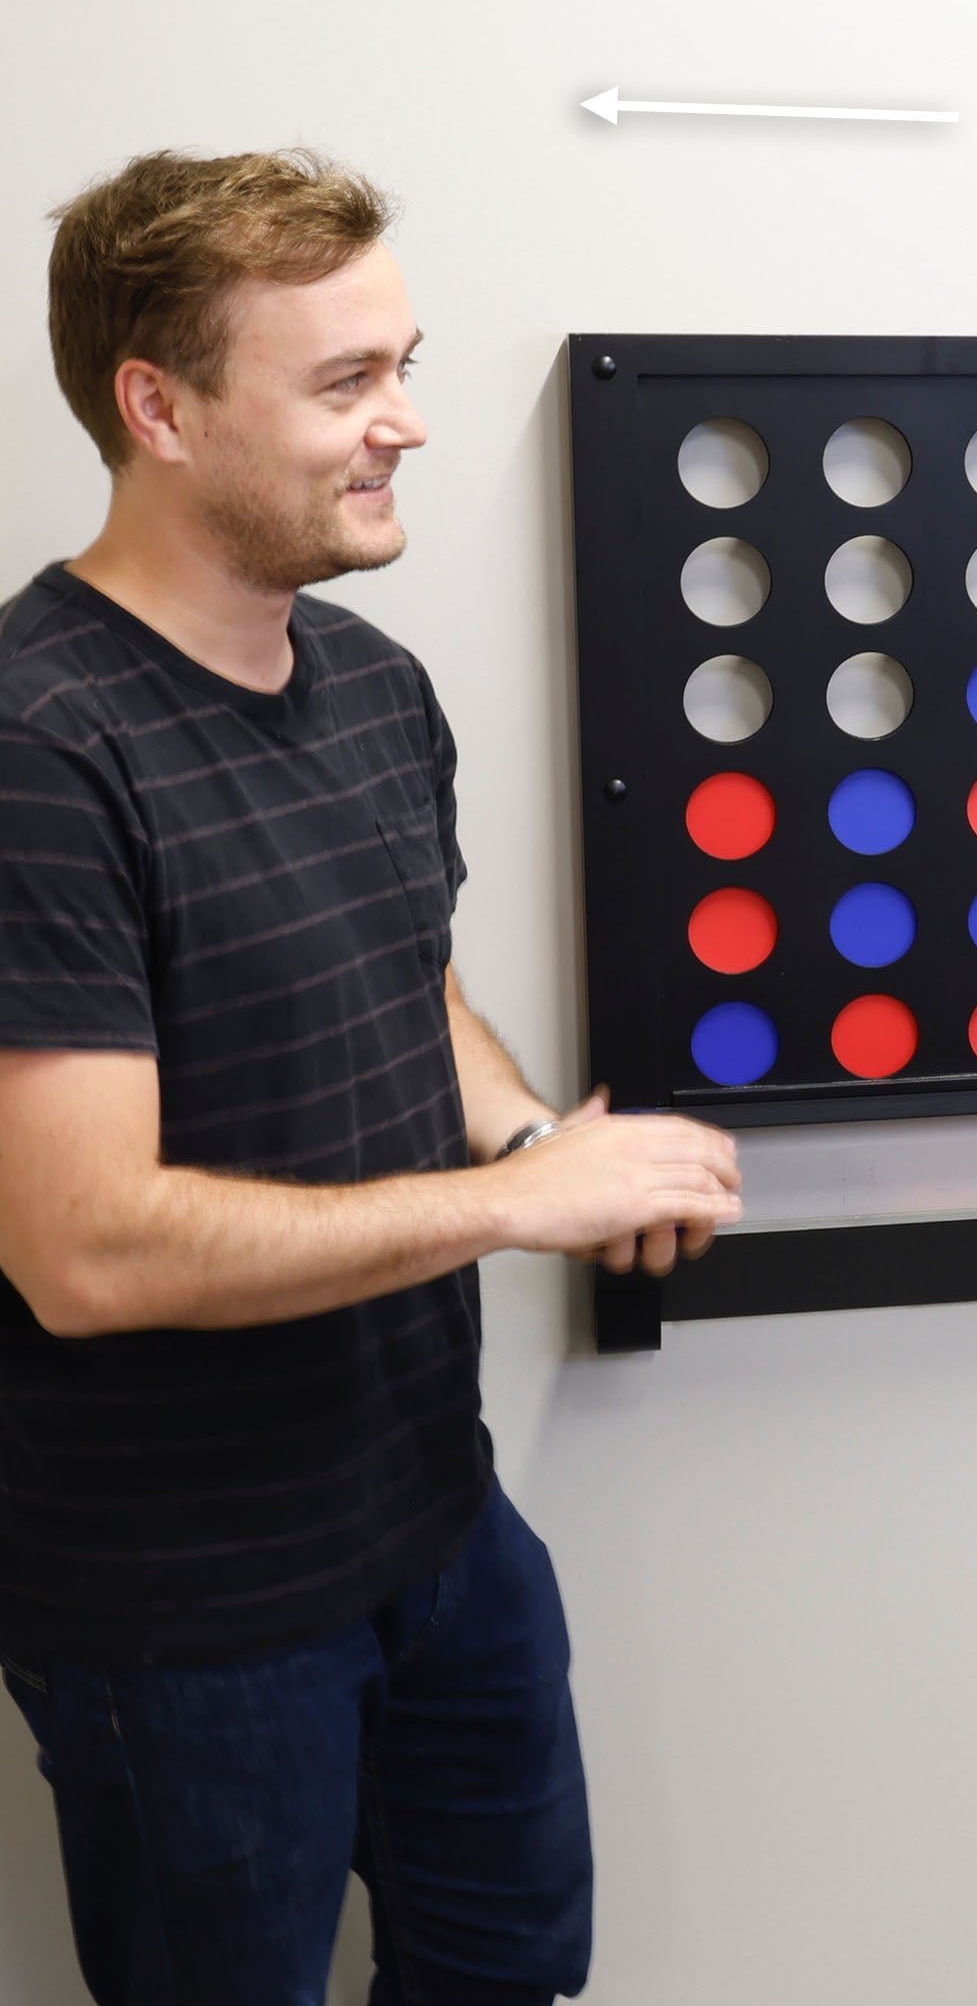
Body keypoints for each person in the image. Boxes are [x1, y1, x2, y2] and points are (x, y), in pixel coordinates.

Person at [0, 147, 744, 2006]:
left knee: (507, 1975)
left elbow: (408, 991)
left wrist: (525, 1128)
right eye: (345, 385)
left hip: (436, 1522)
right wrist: (516, 1204)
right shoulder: (37, 751)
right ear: (154, 407)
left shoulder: (373, 686)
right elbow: (81, 1250)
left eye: (399, 365)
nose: (406, 425)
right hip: (187, 1616)